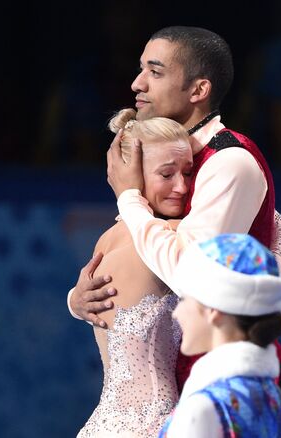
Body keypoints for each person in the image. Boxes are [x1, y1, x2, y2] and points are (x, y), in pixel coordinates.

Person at [68, 26, 281, 400]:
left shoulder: (230, 161)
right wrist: (78, 301)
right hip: (178, 389)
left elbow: (189, 276)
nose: (137, 84)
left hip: (229, 390)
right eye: (141, 69)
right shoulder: (164, 157)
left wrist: (128, 197)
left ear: (198, 90)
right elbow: (137, 273)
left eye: (155, 72)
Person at [77, 108, 193, 437]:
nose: (183, 187)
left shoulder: (107, 237)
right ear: (134, 175)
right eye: (167, 174)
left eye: (188, 172)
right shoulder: (172, 237)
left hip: (104, 425)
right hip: (155, 425)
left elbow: (84, 301)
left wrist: (74, 302)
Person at [158, 233, 281, 437]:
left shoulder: (204, 407)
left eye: (185, 299)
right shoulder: (274, 399)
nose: (177, 313)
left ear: (214, 310)